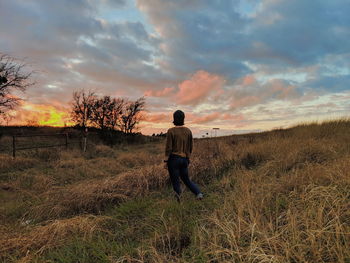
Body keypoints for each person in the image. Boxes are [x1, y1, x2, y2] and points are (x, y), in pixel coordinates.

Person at [164, 110, 204, 202]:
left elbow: (168, 147)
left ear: (174, 119)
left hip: (173, 159)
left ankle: (179, 201)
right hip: (184, 159)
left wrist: (166, 161)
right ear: (183, 118)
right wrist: (188, 158)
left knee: (175, 181)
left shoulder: (171, 131)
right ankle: (198, 193)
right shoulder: (188, 131)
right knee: (186, 179)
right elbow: (191, 146)